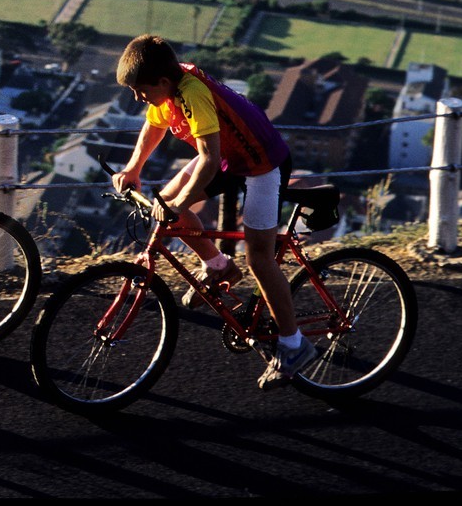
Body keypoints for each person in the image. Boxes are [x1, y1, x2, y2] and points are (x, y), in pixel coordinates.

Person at [111, 33, 316, 389]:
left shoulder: (192, 94)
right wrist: (133, 169)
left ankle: (293, 344)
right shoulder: (167, 87)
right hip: (228, 160)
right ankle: (219, 267)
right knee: (166, 206)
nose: (137, 97)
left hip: (262, 165)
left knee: (260, 258)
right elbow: (154, 125)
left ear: (162, 81)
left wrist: (180, 203)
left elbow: (206, 159)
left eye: (140, 90)